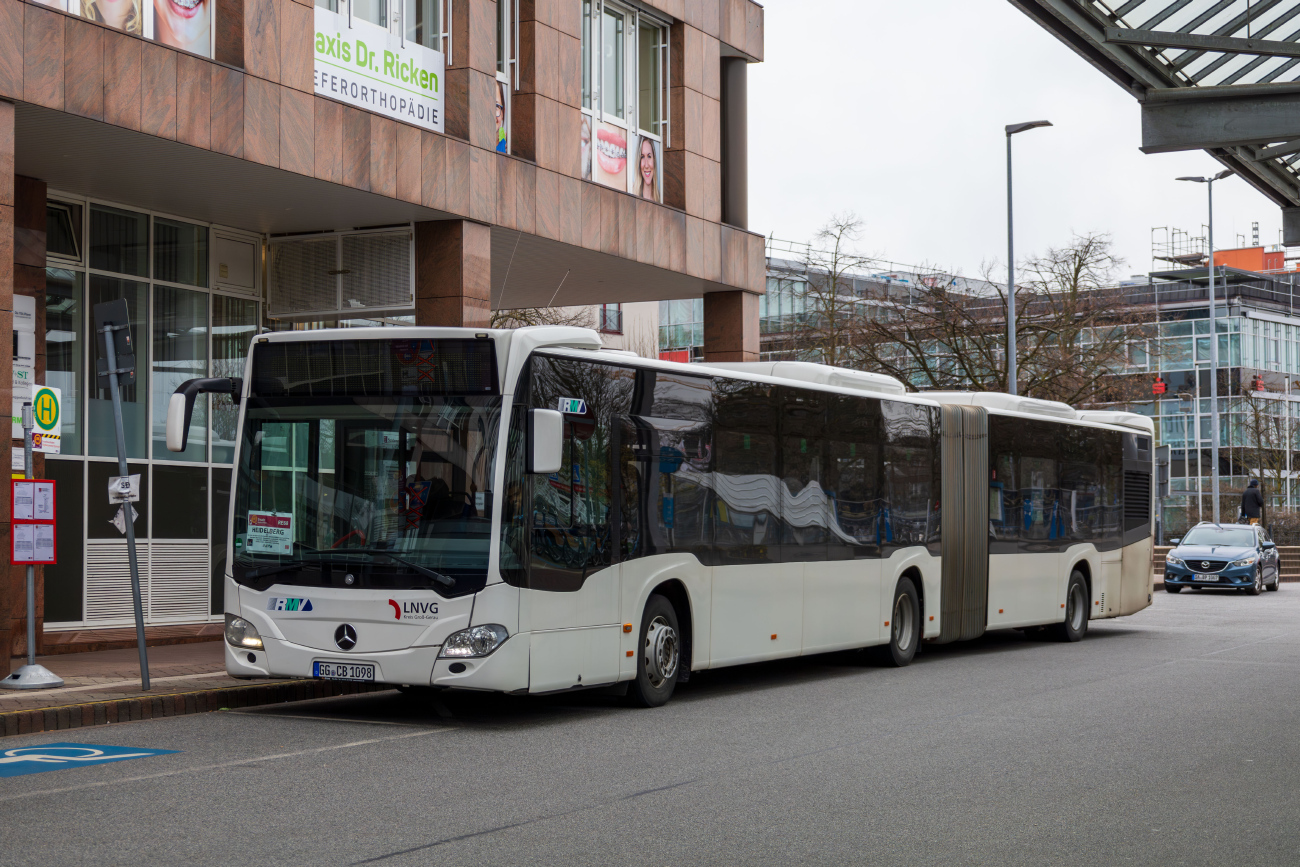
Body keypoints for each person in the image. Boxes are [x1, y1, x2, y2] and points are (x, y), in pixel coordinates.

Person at [635, 136, 660, 202]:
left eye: (649, 156)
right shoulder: (631, 195)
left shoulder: (661, 200)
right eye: (642, 157)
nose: (646, 165)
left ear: (654, 160)